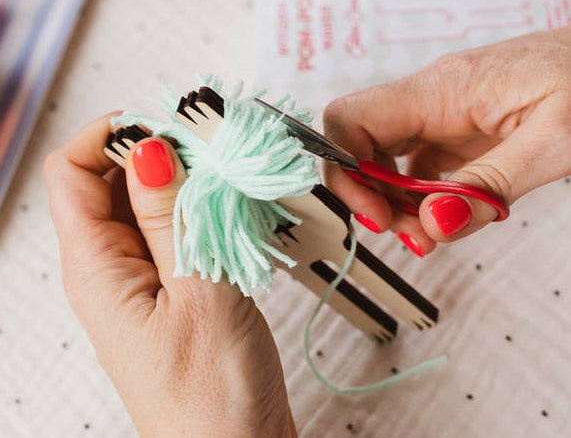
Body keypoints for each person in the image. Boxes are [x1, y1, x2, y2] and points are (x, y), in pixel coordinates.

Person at [44, 28, 570, 436]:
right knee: (336, 280)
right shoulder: (236, 200)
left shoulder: (262, 184)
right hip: (280, 231)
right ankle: (392, 323)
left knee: (356, 270)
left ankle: (407, 317)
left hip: (306, 222)